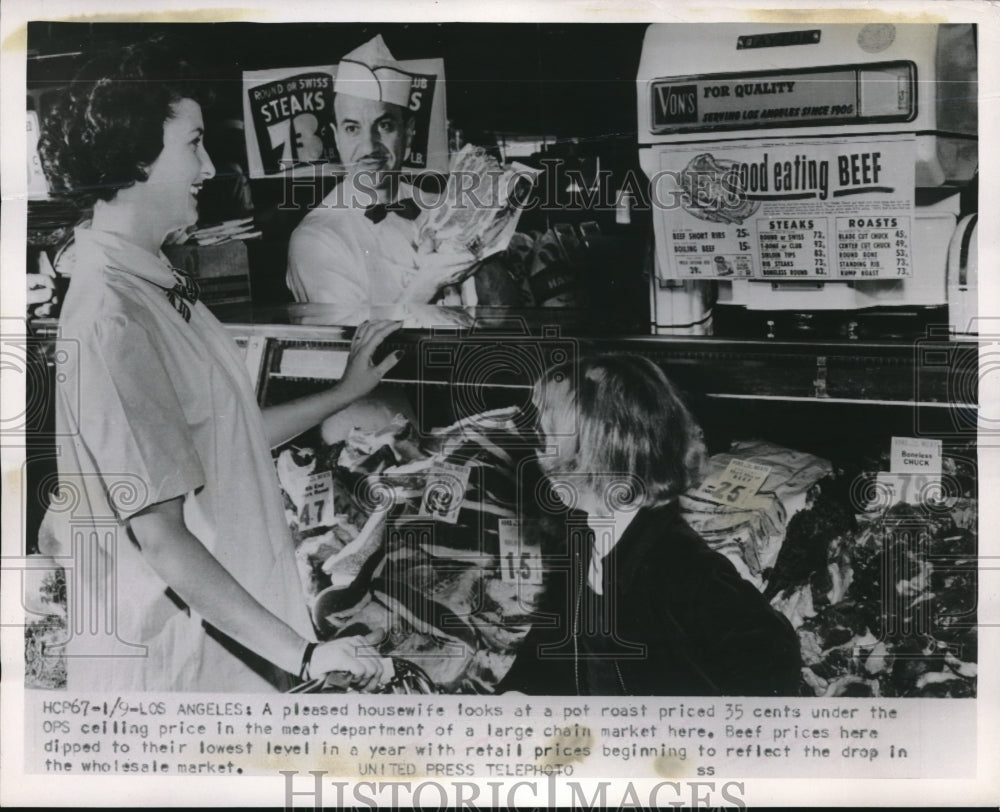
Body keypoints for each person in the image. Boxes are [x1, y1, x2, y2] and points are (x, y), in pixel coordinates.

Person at [36, 36, 401, 692]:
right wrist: (306, 656)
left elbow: (225, 441)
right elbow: (162, 539)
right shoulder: (112, 315)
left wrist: (347, 390)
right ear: (136, 158)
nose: (209, 168)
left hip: (232, 639)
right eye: (194, 144)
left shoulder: (155, 284)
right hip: (173, 664)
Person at [504, 354, 802, 696]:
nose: (539, 457)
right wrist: (516, 692)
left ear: (602, 459)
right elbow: (554, 635)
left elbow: (773, 655)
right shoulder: (583, 537)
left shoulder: (681, 567)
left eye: (547, 441)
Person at [286, 34, 478, 307]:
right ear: (336, 137)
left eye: (384, 125)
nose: (369, 145)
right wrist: (428, 282)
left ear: (408, 132)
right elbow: (354, 346)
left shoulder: (440, 208)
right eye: (353, 128)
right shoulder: (316, 239)